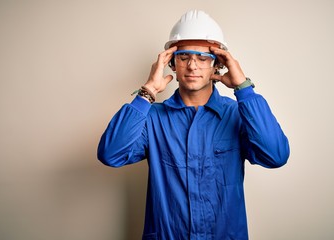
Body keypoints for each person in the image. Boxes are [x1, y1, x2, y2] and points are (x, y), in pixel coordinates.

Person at [97, 9, 290, 240]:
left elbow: (276, 155)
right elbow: (110, 154)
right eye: (184, 56)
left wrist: (244, 89)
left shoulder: (238, 114)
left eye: (203, 58)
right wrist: (147, 93)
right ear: (171, 63)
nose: (192, 66)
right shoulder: (152, 118)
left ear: (217, 64)